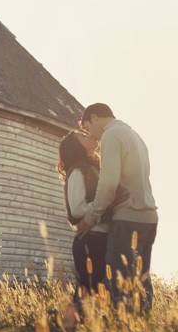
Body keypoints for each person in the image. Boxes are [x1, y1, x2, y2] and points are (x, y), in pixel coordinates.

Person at [77, 103, 159, 312]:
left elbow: (109, 183)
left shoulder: (111, 136)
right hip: (149, 218)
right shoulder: (134, 136)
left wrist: (92, 216)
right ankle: (144, 329)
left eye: (87, 128)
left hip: (128, 218)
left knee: (118, 281)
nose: (91, 136)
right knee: (141, 280)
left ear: (94, 118)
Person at [57, 132, 109, 303]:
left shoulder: (95, 167)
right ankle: (72, 326)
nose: (90, 137)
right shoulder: (77, 172)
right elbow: (77, 209)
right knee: (87, 293)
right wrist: (104, 209)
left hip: (102, 238)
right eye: (83, 137)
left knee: (101, 292)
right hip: (90, 240)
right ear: (77, 146)